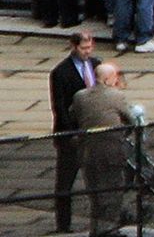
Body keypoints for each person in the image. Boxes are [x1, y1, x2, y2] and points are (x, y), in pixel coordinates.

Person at [69, 61, 135, 237]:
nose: (117, 81)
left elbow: (73, 115)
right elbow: (131, 121)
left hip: (87, 151)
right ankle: (108, 230)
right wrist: (123, 133)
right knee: (113, 191)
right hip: (110, 151)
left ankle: (96, 229)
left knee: (95, 192)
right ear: (107, 80)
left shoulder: (80, 96)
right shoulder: (116, 96)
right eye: (115, 77)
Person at [50, 31, 100, 233]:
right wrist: (71, 133)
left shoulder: (96, 65)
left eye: (89, 47)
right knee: (65, 182)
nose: (87, 52)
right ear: (73, 46)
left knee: (99, 181)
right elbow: (59, 107)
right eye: (83, 48)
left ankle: (100, 223)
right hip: (71, 135)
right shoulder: (60, 72)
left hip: (94, 131)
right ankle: (63, 225)